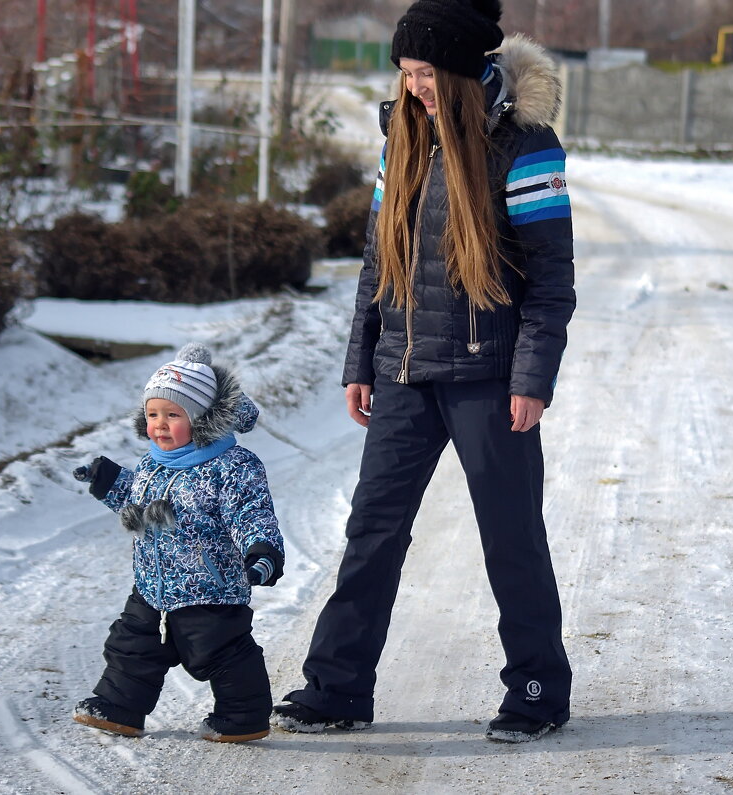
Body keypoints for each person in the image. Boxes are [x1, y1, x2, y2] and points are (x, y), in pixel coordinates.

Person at [271, 0, 576, 744]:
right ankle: (337, 685)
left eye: (426, 73)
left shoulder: (525, 146)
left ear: (467, 71)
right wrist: (361, 359)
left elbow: (551, 280)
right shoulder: (400, 140)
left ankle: (537, 688)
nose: (414, 88)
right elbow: (381, 261)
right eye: (406, 74)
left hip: (488, 376)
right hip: (403, 370)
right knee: (372, 529)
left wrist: (531, 379)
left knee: (510, 535)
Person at [70, 342, 285, 743]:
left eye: (173, 415)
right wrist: (109, 481)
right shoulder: (153, 463)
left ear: (203, 419)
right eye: (153, 415)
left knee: (217, 651)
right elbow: (139, 500)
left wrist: (262, 550)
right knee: (130, 643)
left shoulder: (233, 466)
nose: (160, 425)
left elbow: (251, 512)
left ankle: (243, 716)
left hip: (210, 586)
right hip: (152, 581)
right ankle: (120, 707)